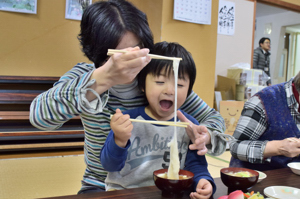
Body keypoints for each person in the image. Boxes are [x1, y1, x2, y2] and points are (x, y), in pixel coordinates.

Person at [29, 0, 226, 194]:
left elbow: (214, 120)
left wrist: (205, 136)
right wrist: (102, 78)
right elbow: (40, 118)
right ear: (97, 53)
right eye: (118, 55)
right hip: (101, 185)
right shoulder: (85, 76)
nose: (129, 61)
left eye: (137, 50)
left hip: (159, 185)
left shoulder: (157, 80)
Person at [101, 42, 216, 198]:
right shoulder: (129, 121)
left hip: (170, 193)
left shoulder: (188, 126)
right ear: (142, 85)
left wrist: (203, 181)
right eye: (160, 82)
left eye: (180, 84)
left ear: (189, 92)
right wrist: (119, 139)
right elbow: (109, 165)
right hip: (127, 192)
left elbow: (197, 165)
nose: (169, 90)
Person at [229, 71, 300, 171]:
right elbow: (235, 146)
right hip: (252, 179)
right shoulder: (264, 101)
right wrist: (278, 148)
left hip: (291, 181)